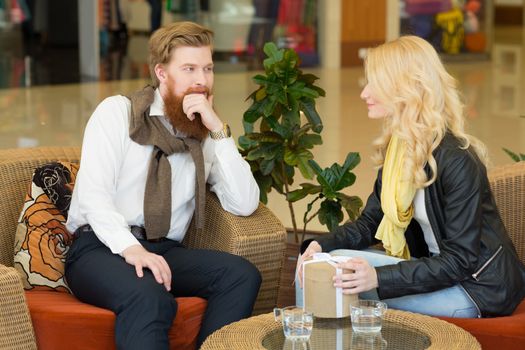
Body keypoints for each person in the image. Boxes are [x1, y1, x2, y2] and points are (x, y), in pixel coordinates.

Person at [296, 35, 525, 318]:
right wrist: (320, 245)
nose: (364, 93)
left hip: (477, 289)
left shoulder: (456, 160)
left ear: (405, 89)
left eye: (373, 84)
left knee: (336, 284)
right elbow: (371, 222)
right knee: (322, 265)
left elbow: (460, 260)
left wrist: (379, 278)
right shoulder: (399, 147)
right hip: (433, 270)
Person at [65, 21, 262, 349]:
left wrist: (217, 129)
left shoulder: (201, 131)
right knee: (150, 297)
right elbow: (94, 197)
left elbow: (244, 203)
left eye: (208, 68)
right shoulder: (118, 113)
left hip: (164, 249)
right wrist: (132, 249)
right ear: (161, 72)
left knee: (241, 275)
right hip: (100, 248)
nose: (202, 80)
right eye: (189, 68)